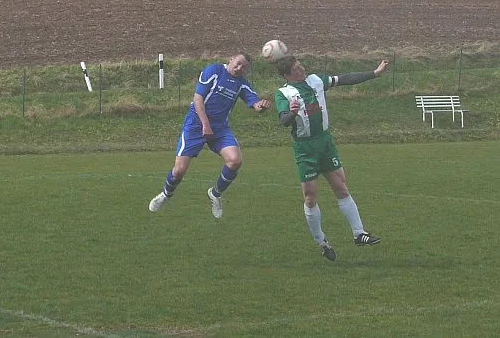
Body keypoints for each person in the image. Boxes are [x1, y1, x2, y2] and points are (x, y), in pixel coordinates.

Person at [274, 55, 389, 261]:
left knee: (342, 187)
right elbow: (284, 121)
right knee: (310, 197)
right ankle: (322, 241)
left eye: (301, 66)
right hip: (305, 148)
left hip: (325, 143)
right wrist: (292, 113)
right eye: (297, 69)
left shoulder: (316, 80)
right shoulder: (283, 93)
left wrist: (375, 73)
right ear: (287, 75)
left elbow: (344, 79)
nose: (303, 69)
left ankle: (359, 233)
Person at [149, 52, 271, 218]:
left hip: (220, 128)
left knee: (235, 160)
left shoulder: (241, 84)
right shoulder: (214, 71)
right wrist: (205, 124)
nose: (239, 68)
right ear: (231, 59)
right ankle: (165, 194)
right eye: (238, 63)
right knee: (179, 171)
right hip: (196, 124)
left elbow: (254, 103)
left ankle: (215, 194)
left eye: (244, 67)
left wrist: (261, 105)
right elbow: (198, 98)